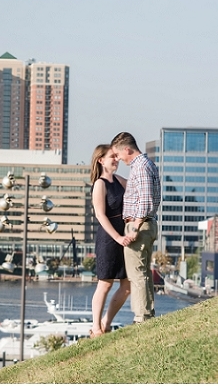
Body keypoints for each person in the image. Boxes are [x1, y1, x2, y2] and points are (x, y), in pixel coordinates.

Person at [111, 131, 161, 324]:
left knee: (137, 273)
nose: (118, 158)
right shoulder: (148, 165)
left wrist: (135, 226)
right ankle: (146, 314)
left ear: (127, 149)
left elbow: (146, 199)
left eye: (118, 154)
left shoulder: (140, 167)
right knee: (144, 272)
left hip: (139, 224)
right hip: (147, 223)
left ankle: (142, 317)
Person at [89, 144, 132, 337]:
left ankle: (106, 323)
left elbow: (135, 187)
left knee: (127, 285)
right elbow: (100, 215)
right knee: (105, 284)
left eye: (116, 156)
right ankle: (96, 328)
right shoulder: (100, 184)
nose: (116, 160)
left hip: (124, 237)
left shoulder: (119, 180)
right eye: (112, 157)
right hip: (109, 238)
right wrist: (117, 237)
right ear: (101, 160)